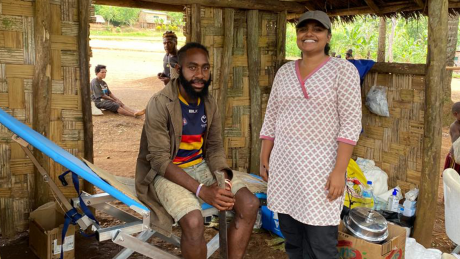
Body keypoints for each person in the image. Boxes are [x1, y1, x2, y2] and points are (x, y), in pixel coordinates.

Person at [136, 42, 259, 259]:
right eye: (192, 67)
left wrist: (224, 181)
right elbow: (159, 160)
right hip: (167, 172)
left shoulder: (209, 103)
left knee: (249, 204)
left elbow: (214, 148)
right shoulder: (160, 103)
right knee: (193, 221)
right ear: (178, 69)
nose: (199, 74)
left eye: (205, 68)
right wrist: (202, 190)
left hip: (200, 165)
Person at [259, 10, 362, 259]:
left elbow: (350, 124)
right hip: (284, 168)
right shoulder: (285, 72)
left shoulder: (343, 71)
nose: (309, 34)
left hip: (322, 172)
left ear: (328, 36)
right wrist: (264, 156)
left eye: (317, 29)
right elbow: (271, 116)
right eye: (304, 29)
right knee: (292, 239)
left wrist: (339, 171)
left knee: (320, 244)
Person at [444, 102, 460, 173]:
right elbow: (457, 146)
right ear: (455, 114)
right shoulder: (454, 127)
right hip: (456, 158)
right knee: (454, 181)